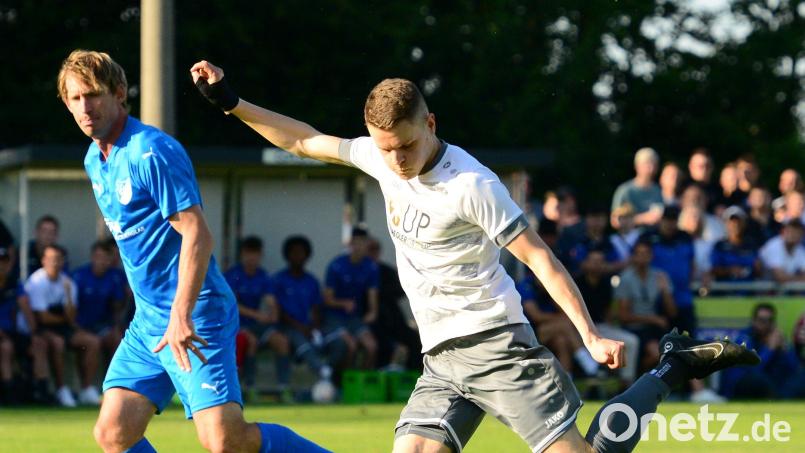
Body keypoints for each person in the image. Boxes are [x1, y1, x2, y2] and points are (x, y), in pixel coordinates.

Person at [192, 59, 758, 453]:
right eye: (385, 150)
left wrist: (588, 334)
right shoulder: (380, 155)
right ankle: (675, 364)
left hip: (498, 347)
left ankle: (669, 369)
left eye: (407, 146)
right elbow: (303, 140)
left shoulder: (472, 185)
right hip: (441, 358)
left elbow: (539, 258)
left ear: (431, 124)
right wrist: (231, 102)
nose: (397, 161)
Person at [59, 50, 327, 452]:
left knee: (225, 440)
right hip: (150, 323)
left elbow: (197, 234)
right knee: (113, 433)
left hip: (196, 314)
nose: (85, 107)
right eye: (75, 99)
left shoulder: (151, 151)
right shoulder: (94, 160)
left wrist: (181, 313)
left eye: (93, 95)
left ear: (118, 93)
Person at [224, 236, 292, 403]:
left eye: (255, 254)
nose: (251, 258)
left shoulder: (263, 276)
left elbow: (270, 299)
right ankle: (250, 386)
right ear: (241, 255)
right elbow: (233, 304)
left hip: (258, 325)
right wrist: (257, 315)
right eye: (248, 253)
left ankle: (283, 387)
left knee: (281, 341)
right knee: (251, 342)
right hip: (237, 325)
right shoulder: (233, 275)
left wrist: (273, 312)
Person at [274, 236, 343, 383]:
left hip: (310, 326)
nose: (298, 256)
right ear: (287, 255)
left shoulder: (312, 281)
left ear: (307, 255)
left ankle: (327, 376)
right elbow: (278, 311)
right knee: (299, 340)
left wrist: (314, 327)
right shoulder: (278, 280)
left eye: (301, 252)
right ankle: (322, 372)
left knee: (338, 342)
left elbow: (317, 307)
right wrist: (301, 328)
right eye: (294, 252)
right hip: (288, 327)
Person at [23, 245, 81, 407]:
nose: (55, 263)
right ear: (43, 261)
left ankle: (88, 390)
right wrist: (64, 318)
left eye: (58, 259)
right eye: (51, 259)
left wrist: (68, 295)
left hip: (60, 327)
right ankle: (61, 389)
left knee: (91, 342)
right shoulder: (37, 281)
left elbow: (71, 318)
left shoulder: (68, 283)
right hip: (37, 329)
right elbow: (42, 318)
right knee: (57, 343)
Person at [71, 240, 127, 404]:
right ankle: (87, 389)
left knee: (118, 341)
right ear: (92, 257)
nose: (100, 261)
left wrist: (116, 327)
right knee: (92, 343)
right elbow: (71, 308)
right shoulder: (79, 276)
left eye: (105, 258)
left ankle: (116, 389)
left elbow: (117, 307)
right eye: (97, 257)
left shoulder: (115, 277)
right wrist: (77, 327)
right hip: (79, 326)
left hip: (102, 326)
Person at [720, 303, 805, 399]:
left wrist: (785, 350)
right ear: (753, 321)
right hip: (741, 386)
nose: (765, 324)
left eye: (769, 321)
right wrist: (769, 349)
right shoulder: (744, 338)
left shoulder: (776, 338)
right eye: (762, 320)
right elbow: (753, 370)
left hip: (770, 386)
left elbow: (794, 369)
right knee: (757, 379)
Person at [323, 227, 379, 369]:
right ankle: (344, 382)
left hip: (355, 318)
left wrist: (372, 313)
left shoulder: (371, 267)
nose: (359, 246)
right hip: (335, 318)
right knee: (351, 346)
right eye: (356, 242)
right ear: (350, 244)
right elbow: (327, 299)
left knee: (371, 346)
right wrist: (343, 303)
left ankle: (364, 380)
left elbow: (373, 298)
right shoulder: (336, 265)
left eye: (363, 242)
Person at [367, 237, 422, 371]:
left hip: (392, 317)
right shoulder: (359, 271)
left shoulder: (386, 270)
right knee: (383, 344)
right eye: (370, 249)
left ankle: (413, 376)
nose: (373, 253)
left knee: (415, 341)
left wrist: (379, 293)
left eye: (375, 249)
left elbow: (401, 290)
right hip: (371, 320)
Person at [611, 148, 664, 227]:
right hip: (632, 238)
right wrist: (643, 219)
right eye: (647, 164)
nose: (651, 168)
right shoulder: (625, 191)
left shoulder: (658, 190)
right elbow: (615, 221)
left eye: (654, 164)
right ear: (637, 166)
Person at [759, 218, 805, 283]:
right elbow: (780, 277)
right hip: (761, 288)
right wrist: (800, 278)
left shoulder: (800, 250)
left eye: (797, 232)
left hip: (784, 289)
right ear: (783, 231)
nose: (793, 234)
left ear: (801, 235)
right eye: (790, 231)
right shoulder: (774, 245)